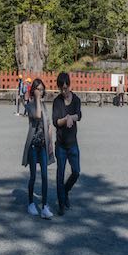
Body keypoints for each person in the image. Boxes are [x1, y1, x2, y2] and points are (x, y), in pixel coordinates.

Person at [22, 78, 54, 219]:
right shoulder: (29, 106)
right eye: (37, 89)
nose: (40, 92)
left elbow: (48, 125)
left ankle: (45, 206)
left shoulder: (45, 105)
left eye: (41, 89)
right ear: (33, 90)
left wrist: (50, 142)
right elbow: (38, 115)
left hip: (43, 145)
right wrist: (36, 99)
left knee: (45, 176)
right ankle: (30, 203)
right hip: (33, 146)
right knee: (33, 176)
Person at [52, 72, 82, 216]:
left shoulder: (76, 99)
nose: (64, 91)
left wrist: (71, 117)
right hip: (61, 145)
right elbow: (56, 121)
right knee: (60, 174)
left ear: (69, 85)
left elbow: (79, 115)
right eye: (62, 88)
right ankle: (61, 203)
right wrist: (65, 119)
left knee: (76, 172)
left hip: (72, 143)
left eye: (66, 87)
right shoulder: (57, 101)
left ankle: (65, 191)